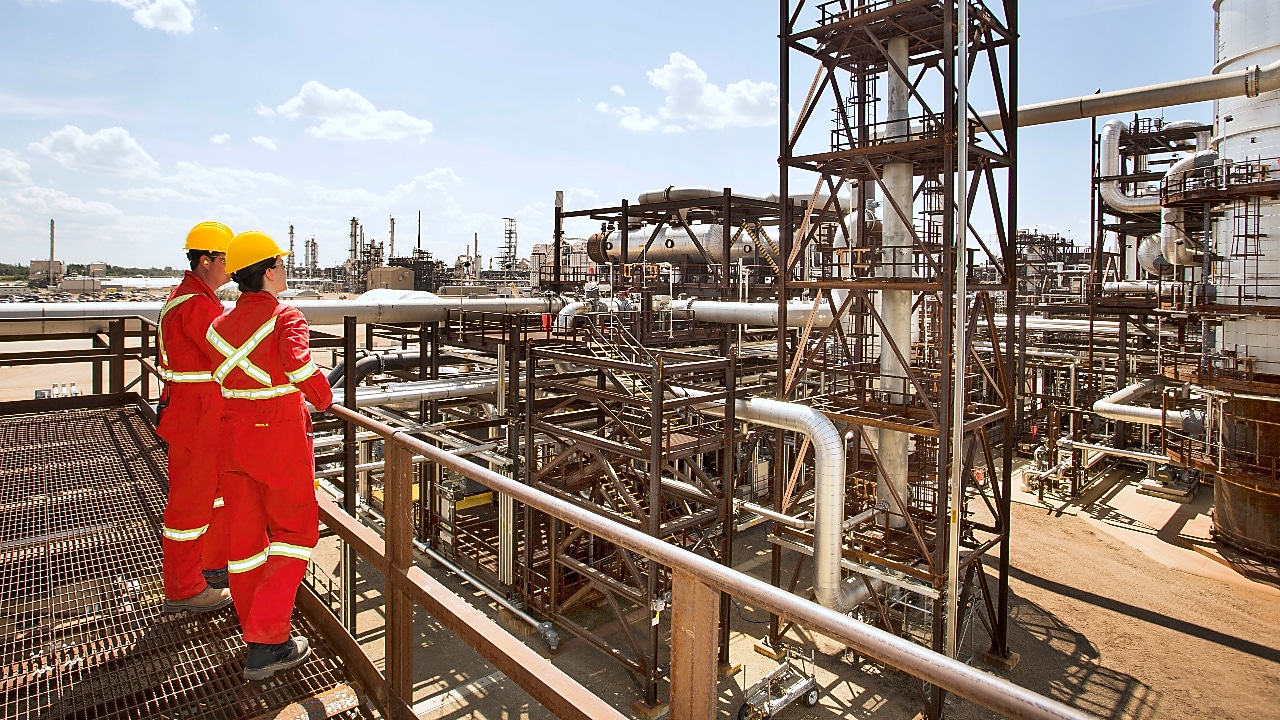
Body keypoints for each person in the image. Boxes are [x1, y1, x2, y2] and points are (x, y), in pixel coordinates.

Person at [206, 230, 333, 681]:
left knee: (244, 544)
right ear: (265, 272)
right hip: (276, 434)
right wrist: (323, 397)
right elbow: (299, 367)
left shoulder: (218, 325)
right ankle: (267, 641)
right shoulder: (286, 317)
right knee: (296, 534)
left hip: (231, 434)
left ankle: (253, 627)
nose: (285, 270)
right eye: (280, 264)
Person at [158, 221, 234, 614]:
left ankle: (211, 567)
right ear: (205, 261)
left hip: (198, 415)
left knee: (213, 496)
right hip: (197, 419)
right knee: (190, 505)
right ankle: (185, 588)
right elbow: (228, 356)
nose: (231, 266)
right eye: (226, 259)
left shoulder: (192, 297)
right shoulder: (196, 305)